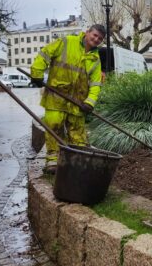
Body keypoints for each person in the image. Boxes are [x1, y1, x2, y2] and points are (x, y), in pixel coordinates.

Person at [30, 24, 106, 174]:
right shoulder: (66, 42)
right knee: (54, 127)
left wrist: (89, 102)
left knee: (77, 134)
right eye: (95, 35)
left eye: (100, 39)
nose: (96, 39)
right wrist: (37, 74)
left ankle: (77, 163)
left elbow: (96, 84)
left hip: (77, 102)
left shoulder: (95, 59)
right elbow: (45, 53)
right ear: (87, 33)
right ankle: (52, 161)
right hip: (56, 96)